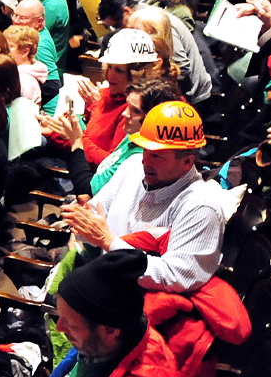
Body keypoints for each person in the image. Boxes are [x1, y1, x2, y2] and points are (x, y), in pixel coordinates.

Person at [0, 251, 182, 377]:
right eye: (59, 317)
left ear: (110, 330)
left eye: (71, 324)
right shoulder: (101, 346)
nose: (59, 328)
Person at [61, 100, 226, 293]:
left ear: (187, 162)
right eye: (145, 150)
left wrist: (108, 241)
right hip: (100, 281)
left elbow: (174, 277)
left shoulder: (201, 206)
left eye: (156, 156)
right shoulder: (132, 166)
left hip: (138, 309)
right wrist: (82, 225)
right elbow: (93, 219)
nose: (144, 160)